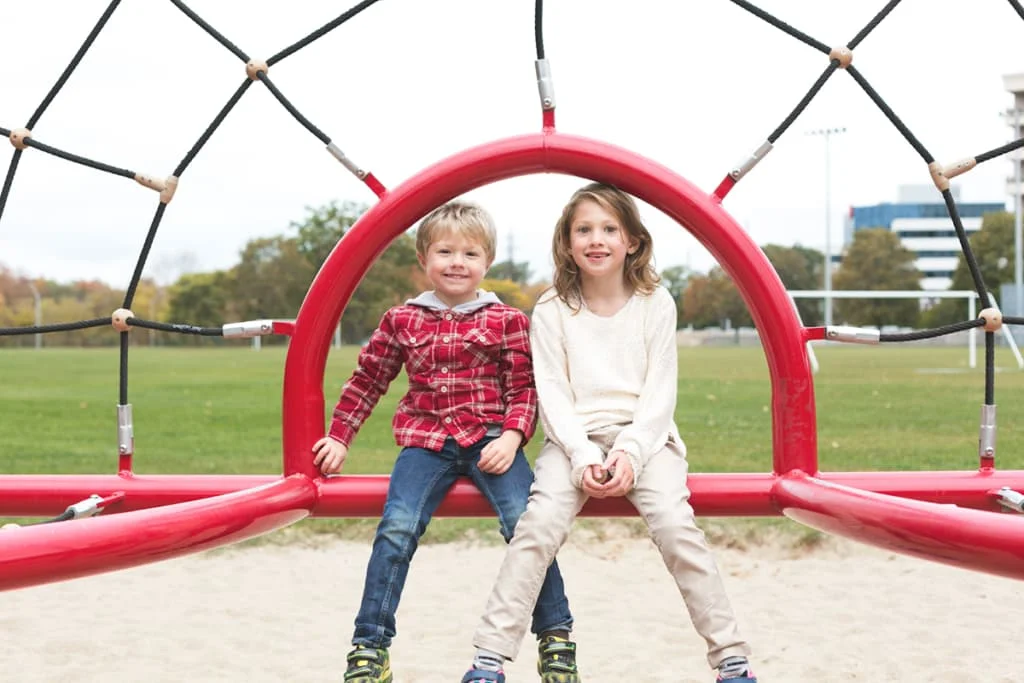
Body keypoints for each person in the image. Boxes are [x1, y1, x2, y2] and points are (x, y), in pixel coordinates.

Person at [461, 183, 757, 682]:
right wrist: (581, 456)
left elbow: (659, 395)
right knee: (536, 527)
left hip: (647, 441)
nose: (596, 240)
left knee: (675, 526)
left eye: (608, 229)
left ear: (632, 241)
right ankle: (489, 658)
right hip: (571, 440)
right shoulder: (553, 308)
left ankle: (731, 659)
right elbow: (551, 393)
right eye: (584, 230)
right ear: (567, 241)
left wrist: (630, 455)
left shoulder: (655, 303)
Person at [312, 200, 579, 683]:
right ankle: (370, 645)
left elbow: (525, 387)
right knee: (396, 527)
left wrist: (514, 434)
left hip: (493, 440)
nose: (458, 263)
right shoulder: (402, 319)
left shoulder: (508, 321)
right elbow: (368, 380)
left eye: (470, 254)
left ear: (487, 262)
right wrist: (339, 436)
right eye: (445, 252)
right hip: (426, 440)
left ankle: (555, 636)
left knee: (527, 524)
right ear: (424, 259)